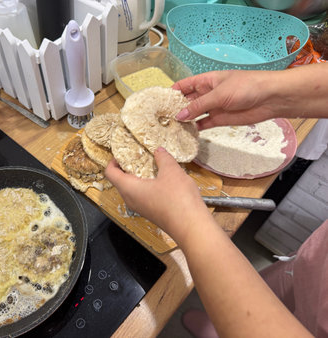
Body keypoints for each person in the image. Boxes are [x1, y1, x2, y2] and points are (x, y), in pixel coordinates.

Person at [105, 63, 328, 338]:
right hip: (319, 264)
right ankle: (221, 321)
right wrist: (266, 90)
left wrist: (187, 220)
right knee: (289, 284)